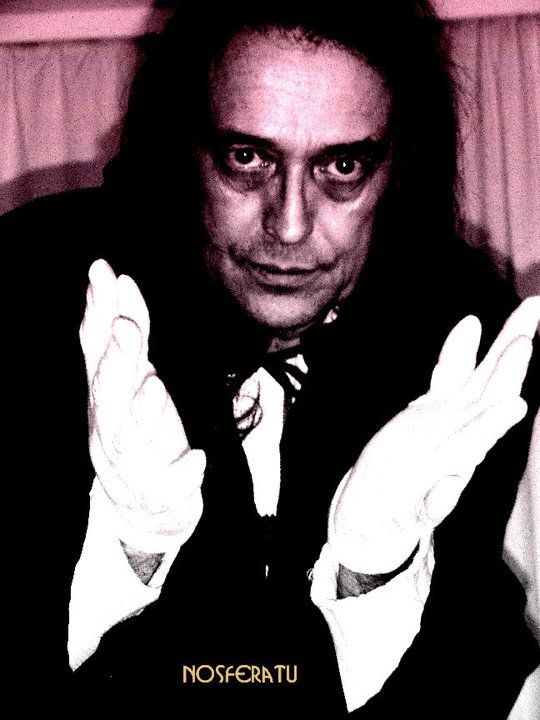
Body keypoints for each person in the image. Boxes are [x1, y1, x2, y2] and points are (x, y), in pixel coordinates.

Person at [4, 1, 539, 717]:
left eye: (342, 166)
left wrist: (371, 579)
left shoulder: (462, 332)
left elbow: (468, 664)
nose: (289, 226)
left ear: (397, 171)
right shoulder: (37, 292)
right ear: (183, 150)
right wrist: (131, 551)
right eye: (247, 159)